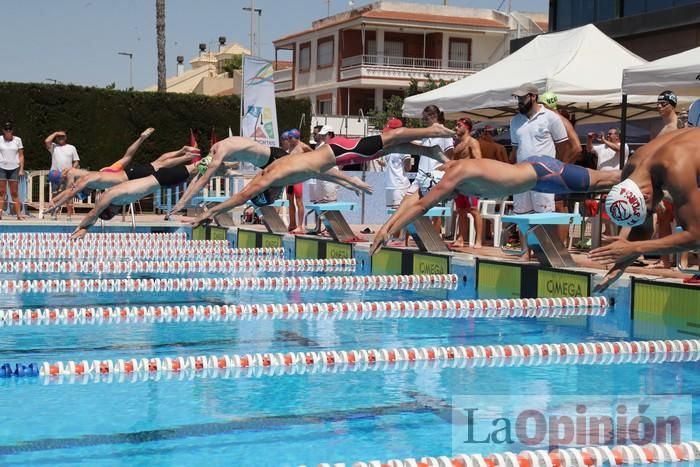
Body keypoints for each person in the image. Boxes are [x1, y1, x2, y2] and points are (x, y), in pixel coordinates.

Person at [189, 123, 455, 227]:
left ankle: (431, 130)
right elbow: (322, 173)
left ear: (266, 193)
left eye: (270, 197)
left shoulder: (270, 179)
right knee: (388, 148)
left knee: (390, 139)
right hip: (338, 155)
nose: (276, 195)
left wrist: (209, 213)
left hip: (339, 151)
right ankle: (431, 149)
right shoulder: (276, 173)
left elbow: (240, 197)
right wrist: (351, 181)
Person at [369, 156, 620, 255]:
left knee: (605, 180)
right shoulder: (444, 172)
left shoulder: (457, 175)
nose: (443, 198)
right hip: (533, 182)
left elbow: (423, 205)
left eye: (442, 194)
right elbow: (413, 197)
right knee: (603, 184)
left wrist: (389, 233)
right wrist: (385, 227)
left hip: (544, 173)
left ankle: (646, 176)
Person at [590, 128, 700, 291]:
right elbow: (641, 229)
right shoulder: (631, 170)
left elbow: (695, 236)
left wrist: (633, 248)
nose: (653, 211)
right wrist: (620, 266)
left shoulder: (675, 169)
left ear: (647, 196)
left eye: (649, 211)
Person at [166, 135, 372, 218]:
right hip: (267, 161)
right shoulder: (217, 148)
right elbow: (199, 177)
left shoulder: (217, 154)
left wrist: (181, 203)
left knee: (314, 169)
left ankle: (350, 180)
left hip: (274, 157)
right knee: (313, 170)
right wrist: (180, 204)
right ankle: (348, 181)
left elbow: (201, 180)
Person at [47, 140, 203, 215]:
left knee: (160, 166)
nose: (87, 194)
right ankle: (185, 153)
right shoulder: (98, 173)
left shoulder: (86, 181)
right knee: (158, 163)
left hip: (130, 177)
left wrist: (55, 205)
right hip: (127, 173)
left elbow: (69, 193)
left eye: (85, 193)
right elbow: (127, 156)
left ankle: (188, 157)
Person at [71, 160, 200, 240]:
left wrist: (80, 228)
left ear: (110, 209)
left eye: (113, 213)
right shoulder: (117, 199)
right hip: (162, 180)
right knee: (199, 170)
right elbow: (95, 216)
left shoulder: (110, 195)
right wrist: (85, 229)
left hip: (162, 179)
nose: (116, 213)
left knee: (199, 167)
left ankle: (214, 156)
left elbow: (93, 214)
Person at [509, 83, 570, 252]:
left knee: (544, 215)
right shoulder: (515, 121)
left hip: (545, 176)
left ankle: (546, 251)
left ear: (533, 96)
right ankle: (524, 252)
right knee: (522, 215)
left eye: (522, 98)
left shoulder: (551, 118)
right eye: (518, 98)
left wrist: (558, 172)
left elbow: (564, 147)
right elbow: (515, 150)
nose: (519, 102)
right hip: (521, 175)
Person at [649, 90, 680, 269]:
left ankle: (677, 261)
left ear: (672, 105)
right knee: (663, 218)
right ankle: (666, 260)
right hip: (664, 181)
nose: (659, 106)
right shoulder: (665, 128)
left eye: (663, 104)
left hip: (673, 181)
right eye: (658, 103)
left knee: (684, 219)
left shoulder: (675, 127)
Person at [452, 118, 482, 248]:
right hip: (459, 182)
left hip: (470, 182)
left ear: (467, 127)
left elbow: (479, 161)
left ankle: (478, 240)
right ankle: (461, 239)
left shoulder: (472, 142)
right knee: (461, 211)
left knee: (474, 210)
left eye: (459, 125)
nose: (456, 128)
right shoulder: (458, 145)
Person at [45, 130, 80, 219]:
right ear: (56, 138)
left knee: (69, 194)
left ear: (66, 137)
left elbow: (76, 161)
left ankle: (68, 215)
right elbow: (47, 141)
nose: (60, 138)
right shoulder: (53, 147)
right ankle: (54, 213)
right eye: (58, 137)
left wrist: (71, 169)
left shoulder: (72, 147)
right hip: (56, 174)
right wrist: (56, 133)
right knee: (55, 194)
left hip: (68, 174)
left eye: (62, 136)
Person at [0, 122, 25, 220]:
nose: (8, 131)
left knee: (14, 192)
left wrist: (21, 169)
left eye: (10, 129)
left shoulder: (18, 140)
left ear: (12, 130)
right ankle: (0, 214)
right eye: (6, 129)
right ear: (3, 130)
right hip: (1, 167)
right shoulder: (0, 139)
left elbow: (21, 155)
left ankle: (18, 214)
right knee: (1, 192)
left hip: (14, 168)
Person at [286, 128, 309, 232]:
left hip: (298, 178)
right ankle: (292, 224)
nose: (289, 140)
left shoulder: (303, 146)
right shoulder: (290, 146)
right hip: (289, 178)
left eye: (291, 138)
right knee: (290, 201)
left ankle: (300, 226)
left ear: (297, 137)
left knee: (299, 201)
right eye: (288, 138)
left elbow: (315, 156)